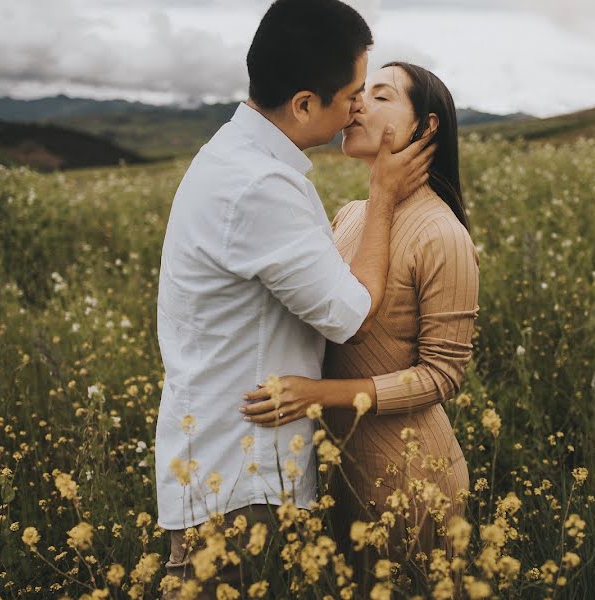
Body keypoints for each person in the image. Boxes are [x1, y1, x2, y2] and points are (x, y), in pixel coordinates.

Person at [154, 0, 435, 596]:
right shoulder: (259, 187)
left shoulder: (239, 158)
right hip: (236, 476)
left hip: (225, 465)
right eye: (354, 92)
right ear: (305, 103)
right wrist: (383, 196)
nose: (359, 106)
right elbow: (352, 317)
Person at [241, 61, 479, 583]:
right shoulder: (351, 214)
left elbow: (444, 375)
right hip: (339, 467)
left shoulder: (443, 235)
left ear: (427, 126)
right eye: (358, 93)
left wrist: (317, 395)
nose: (356, 105)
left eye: (382, 96)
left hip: (412, 478)